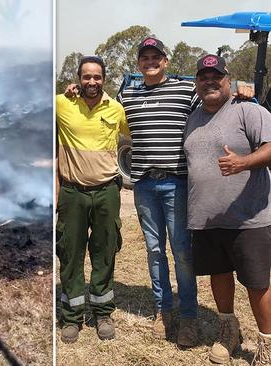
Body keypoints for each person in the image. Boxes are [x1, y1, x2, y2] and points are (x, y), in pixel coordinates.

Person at [184, 54, 271, 365]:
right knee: (219, 275)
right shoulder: (192, 117)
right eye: (203, 76)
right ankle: (229, 332)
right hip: (206, 218)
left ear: (227, 79)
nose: (210, 81)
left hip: (248, 218)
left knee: (257, 283)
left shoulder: (248, 109)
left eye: (216, 76)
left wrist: (243, 162)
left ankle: (267, 344)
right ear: (196, 82)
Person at [116, 37, 199, 346]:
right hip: (144, 185)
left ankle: (189, 316)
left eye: (156, 56)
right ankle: (163, 312)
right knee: (153, 250)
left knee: (182, 252)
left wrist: (242, 94)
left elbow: (213, 106)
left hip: (176, 183)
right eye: (144, 57)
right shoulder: (128, 95)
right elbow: (101, 108)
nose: (150, 61)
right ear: (139, 64)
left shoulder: (184, 90)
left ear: (166, 61)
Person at [56, 55, 129, 343]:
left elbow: (137, 134)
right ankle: (71, 316)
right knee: (70, 253)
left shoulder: (116, 109)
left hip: (106, 191)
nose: (91, 82)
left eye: (97, 77)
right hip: (73, 193)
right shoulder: (62, 104)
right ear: (78, 79)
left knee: (104, 252)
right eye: (86, 76)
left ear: (104, 79)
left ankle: (102, 312)